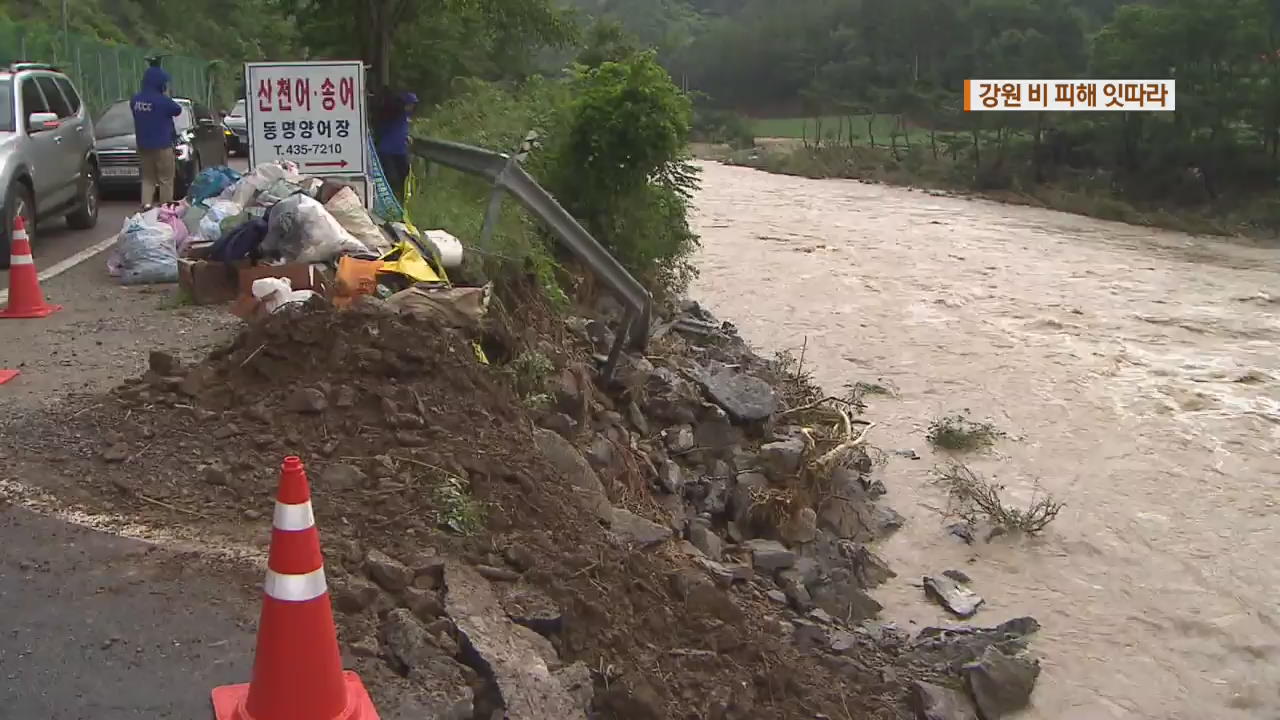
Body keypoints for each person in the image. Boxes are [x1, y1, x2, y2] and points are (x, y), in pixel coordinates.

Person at [131, 64, 182, 208]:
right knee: (165, 179)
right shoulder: (163, 101)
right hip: (162, 146)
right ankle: (165, 209)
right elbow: (177, 110)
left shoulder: (135, 100)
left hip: (143, 145)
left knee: (148, 178)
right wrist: (166, 95)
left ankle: (146, 205)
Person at [375, 91, 418, 203]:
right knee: (390, 177)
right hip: (388, 150)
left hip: (399, 150)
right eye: (411, 104)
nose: (412, 107)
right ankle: (390, 200)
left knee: (404, 176)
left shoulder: (405, 115)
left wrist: (406, 137)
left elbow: (401, 129)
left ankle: (403, 199)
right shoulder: (393, 113)